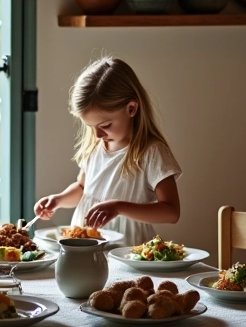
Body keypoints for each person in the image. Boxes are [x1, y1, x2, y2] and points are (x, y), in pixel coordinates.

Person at [34, 56, 181, 246]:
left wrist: (118, 207)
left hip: (128, 249)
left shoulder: (151, 152)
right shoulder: (95, 146)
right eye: (90, 126)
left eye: (105, 125)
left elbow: (171, 212)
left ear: (131, 108)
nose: (97, 134)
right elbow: (82, 188)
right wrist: (58, 199)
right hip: (85, 246)